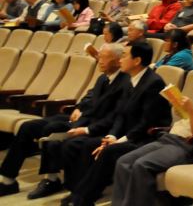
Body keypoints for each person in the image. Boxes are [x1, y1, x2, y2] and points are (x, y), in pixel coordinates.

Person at [0, 43, 126, 199]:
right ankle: (8, 181)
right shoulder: (103, 77)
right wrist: (79, 107)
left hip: (93, 125)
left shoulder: (125, 81)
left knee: (51, 130)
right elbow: (89, 96)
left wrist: (85, 128)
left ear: (118, 60)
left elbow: (115, 115)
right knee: (28, 127)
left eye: (105, 57)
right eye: (99, 56)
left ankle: (51, 179)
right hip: (82, 118)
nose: (99, 60)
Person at [61, 41, 171, 206]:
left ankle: (82, 199)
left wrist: (119, 140)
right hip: (127, 134)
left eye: (125, 55)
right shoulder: (130, 80)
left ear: (137, 61)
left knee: (108, 151)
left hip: (146, 138)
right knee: (92, 146)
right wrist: (111, 135)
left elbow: (146, 122)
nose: (120, 60)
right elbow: (120, 114)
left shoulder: (153, 83)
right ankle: (79, 195)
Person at [110, 65, 193, 206]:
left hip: (187, 146)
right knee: (124, 161)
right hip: (169, 138)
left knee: (142, 165)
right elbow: (191, 122)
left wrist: (192, 112)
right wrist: (184, 112)